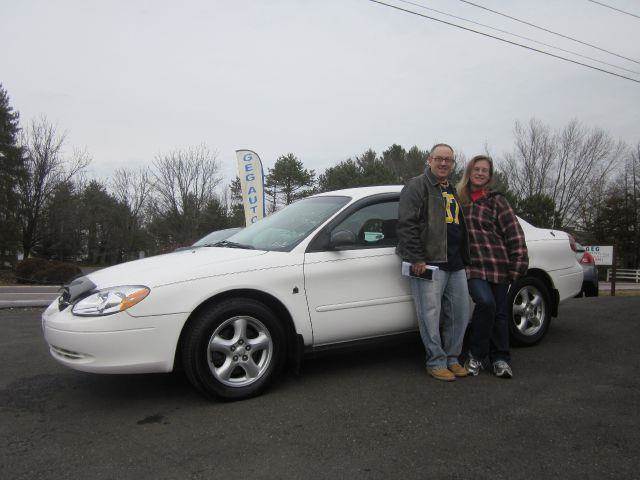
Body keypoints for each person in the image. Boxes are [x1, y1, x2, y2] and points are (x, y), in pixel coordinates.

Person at [397, 143, 471, 382]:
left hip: (456, 262)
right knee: (430, 315)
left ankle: (452, 358)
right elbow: (406, 225)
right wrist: (416, 257)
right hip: (429, 263)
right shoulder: (417, 186)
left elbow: (460, 225)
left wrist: (466, 257)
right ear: (429, 160)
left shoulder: (452, 189)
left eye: (448, 160)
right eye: (439, 158)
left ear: (453, 163)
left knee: (460, 314)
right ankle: (436, 361)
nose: (443, 163)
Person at [456, 155, 528, 378]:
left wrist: (517, 266)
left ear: (489, 176)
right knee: (486, 303)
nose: (480, 173)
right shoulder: (459, 200)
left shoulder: (497, 200)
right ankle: (476, 355)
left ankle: (500, 359)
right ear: (469, 172)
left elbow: (514, 234)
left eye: (484, 170)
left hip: (498, 265)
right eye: (476, 169)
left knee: (499, 313)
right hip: (473, 266)